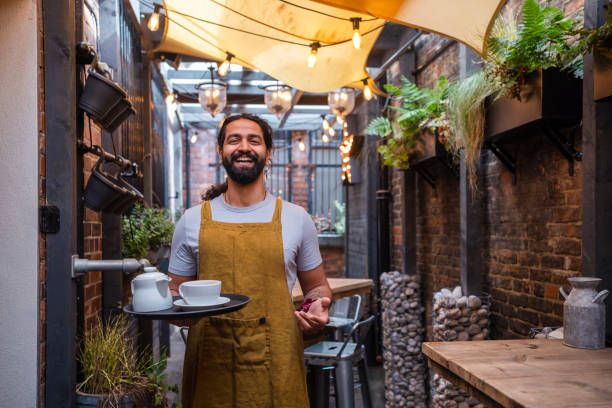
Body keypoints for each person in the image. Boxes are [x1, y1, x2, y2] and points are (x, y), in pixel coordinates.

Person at [168, 113, 332, 408]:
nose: (244, 147)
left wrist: (314, 310)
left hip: (278, 360)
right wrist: (177, 311)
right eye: (234, 140)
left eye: (254, 140)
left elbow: (317, 288)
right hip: (210, 361)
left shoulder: (296, 218)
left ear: (268, 152)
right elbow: (174, 292)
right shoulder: (191, 221)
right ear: (220, 152)